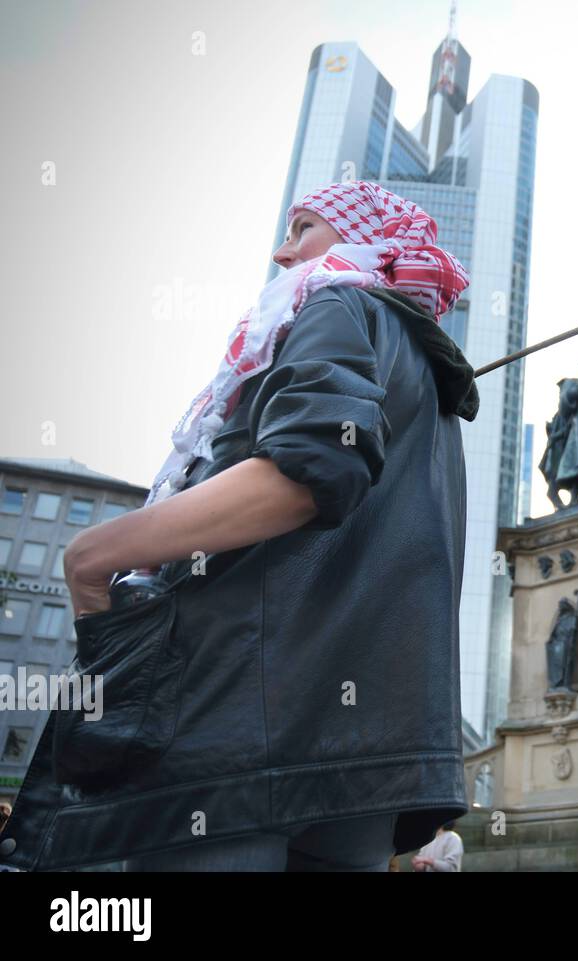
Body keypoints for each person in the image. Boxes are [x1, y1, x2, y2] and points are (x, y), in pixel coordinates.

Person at [0, 182, 479, 872]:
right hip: (366, 756)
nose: (283, 251)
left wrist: (94, 552)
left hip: (238, 729)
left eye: (304, 228)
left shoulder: (336, 300)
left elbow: (313, 467)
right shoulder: (430, 381)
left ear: (355, 239)